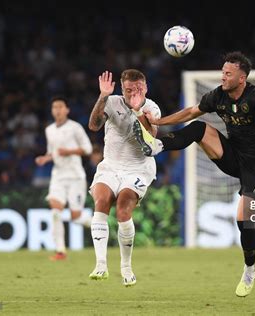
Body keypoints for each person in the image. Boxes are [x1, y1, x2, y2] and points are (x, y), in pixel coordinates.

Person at [133, 52, 255, 297]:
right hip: (233, 157)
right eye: (222, 72)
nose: (223, 76)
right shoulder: (218, 96)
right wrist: (159, 121)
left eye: (228, 74)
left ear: (242, 78)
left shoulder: (254, 95)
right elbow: (191, 112)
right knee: (200, 128)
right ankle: (157, 145)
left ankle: (249, 269)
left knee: (244, 218)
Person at [87, 69, 161, 286]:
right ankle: (101, 265)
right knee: (101, 202)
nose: (133, 93)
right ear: (122, 89)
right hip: (110, 166)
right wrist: (102, 96)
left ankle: (126, 267)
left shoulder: (151, 107)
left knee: (122, 209)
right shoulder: (111, 102)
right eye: (128, 90)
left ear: (145, 87)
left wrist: (138, 111)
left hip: (138, 169)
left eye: (138, 89)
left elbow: (150, 140)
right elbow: (93, 125)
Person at [35, 97, 93, 261]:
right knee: (55, 210)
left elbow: (88, 149)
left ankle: (99, 222)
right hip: (58, 176)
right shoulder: (49, 130)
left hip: (75, 177)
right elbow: (52, 152)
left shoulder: (75, 127)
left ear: (67, 110)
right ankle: (60, 251)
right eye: (54, 107)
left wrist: (69, 152)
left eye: (60, 107)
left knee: (76, 218)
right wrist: (45, 159)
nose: (57, 110)